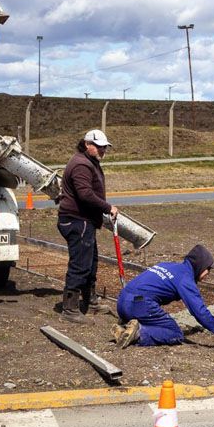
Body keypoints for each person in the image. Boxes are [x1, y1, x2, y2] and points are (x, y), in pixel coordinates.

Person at [112, 244, 214, 348]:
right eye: (208, 269)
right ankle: (138, 333)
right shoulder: (185, 279)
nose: (208, 273)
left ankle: (125, 327)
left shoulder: (167, 265)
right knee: (175, 333)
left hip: (122, 301)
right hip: (139, 305)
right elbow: (199, 311)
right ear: (200, 266)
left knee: (152, 314)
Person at [57, 129, 119, 324]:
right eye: (98, 147)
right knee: (80, 265)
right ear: (87, 144)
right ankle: (70, 309)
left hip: (85, 221)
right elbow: (85, 194)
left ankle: (90, 302)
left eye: (104, 147)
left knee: (91, 263)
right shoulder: (81, 165)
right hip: (77, 221)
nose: (102, 150)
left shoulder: (90, 162)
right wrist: (107, 207)